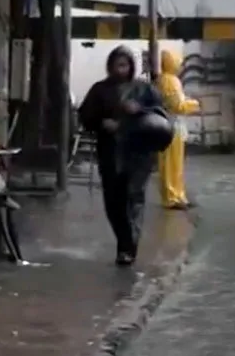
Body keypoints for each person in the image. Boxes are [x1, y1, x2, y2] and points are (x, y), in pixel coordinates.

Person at [78, 46, 167, 265]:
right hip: (110, 152)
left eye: (125, 65)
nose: (121, 70)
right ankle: (124, 242)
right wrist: (101, 123)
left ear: (131, 67)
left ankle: (128, 248)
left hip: (139, 154)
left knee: (134, 197)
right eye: (117, 65)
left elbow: (162, 116)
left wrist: (140, 110)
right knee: (114, 202)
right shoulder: (100, 90)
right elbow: (85, 116)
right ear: (110, 66)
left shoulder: (144, 90)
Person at [155, 50, 201, 209]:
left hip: (172, 126)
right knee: (170, 165)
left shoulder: (168, 80)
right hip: (170, 127)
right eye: (178, 62)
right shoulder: (170, 81)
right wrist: (194, 104)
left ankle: (179, 196)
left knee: (176, 164)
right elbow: (178, 106)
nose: (181, 66)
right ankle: (171, 197)